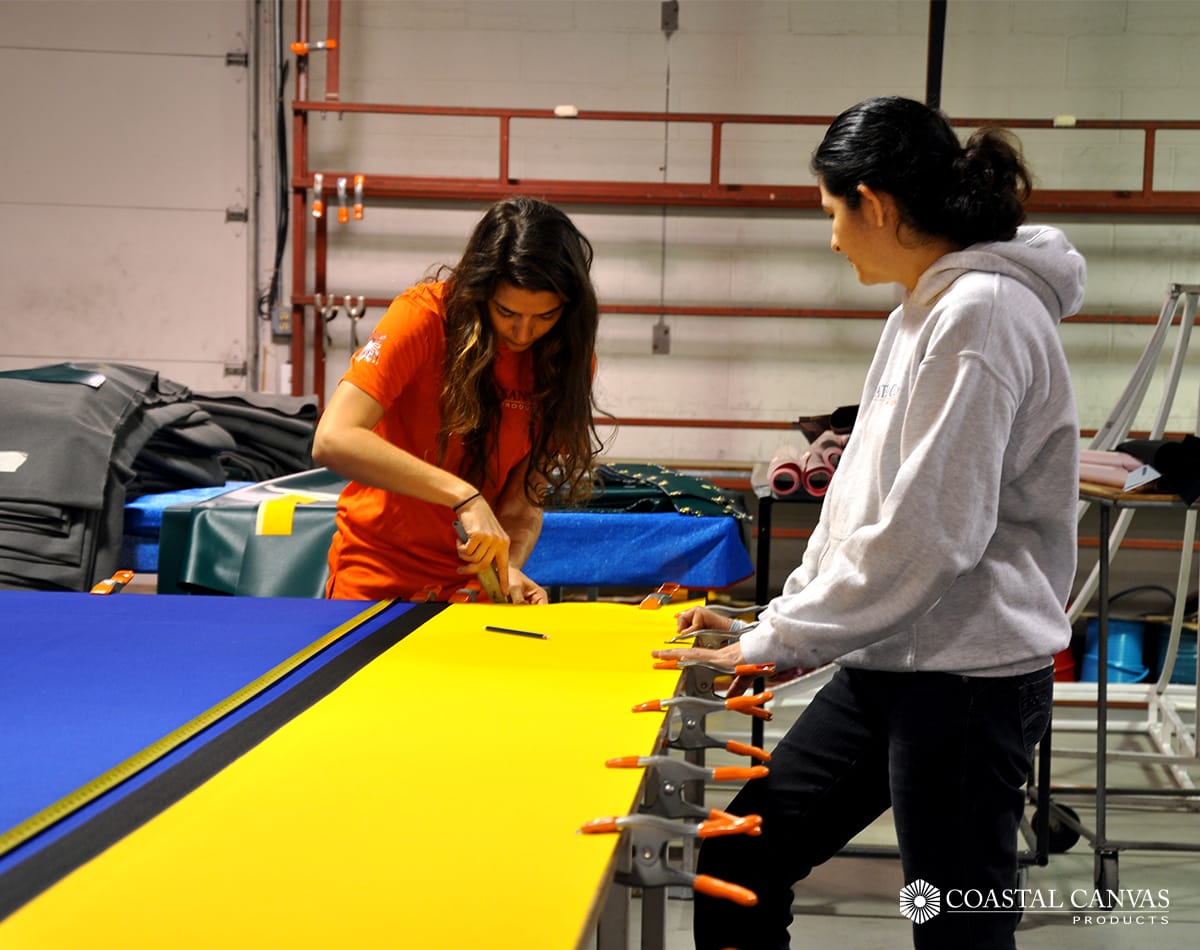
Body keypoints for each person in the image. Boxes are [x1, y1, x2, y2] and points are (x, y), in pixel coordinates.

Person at [655, 96, 1086, 949]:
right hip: (894, 663)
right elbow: (862, 502)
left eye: (832, 213)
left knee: (956, 929)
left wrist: (775, 642)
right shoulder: (917, 310)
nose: (831, 238)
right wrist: (770, 624)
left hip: (968, 684)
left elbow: (931, 534)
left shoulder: (982, 316)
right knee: (733, 868)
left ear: (877, 205)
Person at [312, 196, 602, 604]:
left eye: (545, 316)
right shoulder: (424, 317)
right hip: (378, 578)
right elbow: (333, 438)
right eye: (507, 312)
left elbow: (522, 505)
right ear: (480, 290)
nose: (523, 333)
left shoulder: (565, 361)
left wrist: (510, 567)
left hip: (472, 589)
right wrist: (463, 495)